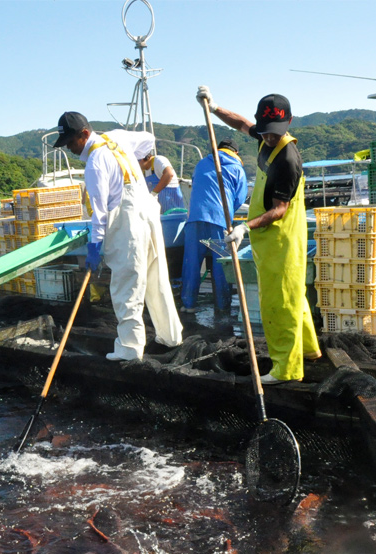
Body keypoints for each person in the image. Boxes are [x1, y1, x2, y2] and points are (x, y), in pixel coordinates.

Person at [197, 88, 320, 384]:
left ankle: (286, 368)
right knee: (293, 298)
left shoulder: (288, 159)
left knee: (279, 304)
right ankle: (308, 349)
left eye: (273, 133)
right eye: (264, 132)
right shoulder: (265, 135)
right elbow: (240, 123)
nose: (268, 138)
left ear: (288, 122)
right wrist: (214, 108)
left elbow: (279, 209)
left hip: (283, 238)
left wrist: (244, 227)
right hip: (269, 238)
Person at [53, 112, 182, 361]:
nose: (69, 148)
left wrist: (94, 246)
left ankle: (129, 349)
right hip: (148, 210)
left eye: (71, 142)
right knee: (157, 277)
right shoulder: (116, 137)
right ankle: (170, 337)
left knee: (127, 284)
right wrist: (134, 158)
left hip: (128, 221)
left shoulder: (94, 163)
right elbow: (148, 138)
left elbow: (99, 213)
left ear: (85, 134)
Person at [180, 139, 248, 314]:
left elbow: (196, 185)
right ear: (236, 153)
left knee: (192, 264)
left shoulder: (202, 163)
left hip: (194, 219)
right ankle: (223, 307)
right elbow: (240, 198)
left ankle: (188, 305)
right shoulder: (237, 168)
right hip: (219, 220)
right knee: (221, 266)